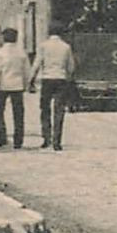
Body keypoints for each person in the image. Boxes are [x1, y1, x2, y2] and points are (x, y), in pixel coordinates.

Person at [29, 22, 77, 151]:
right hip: (61, 79)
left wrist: (31, 80)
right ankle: (57, 141)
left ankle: (46, 139)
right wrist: (67, 76)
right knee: (59, 110)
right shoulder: (66, 47)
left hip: (47, 79)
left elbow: (37, 63)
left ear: (49, 32)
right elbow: (71, 66)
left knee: (45, 109)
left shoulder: (43, 46)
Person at [0, 27, 27, 148]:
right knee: (18, 114)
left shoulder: (0, 53)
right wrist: (25, 85)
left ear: (4, 38)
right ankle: (18, 140)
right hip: (17, 86)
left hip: (2, 86)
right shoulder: (21, 53)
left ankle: (1, 137)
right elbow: (26, 72)